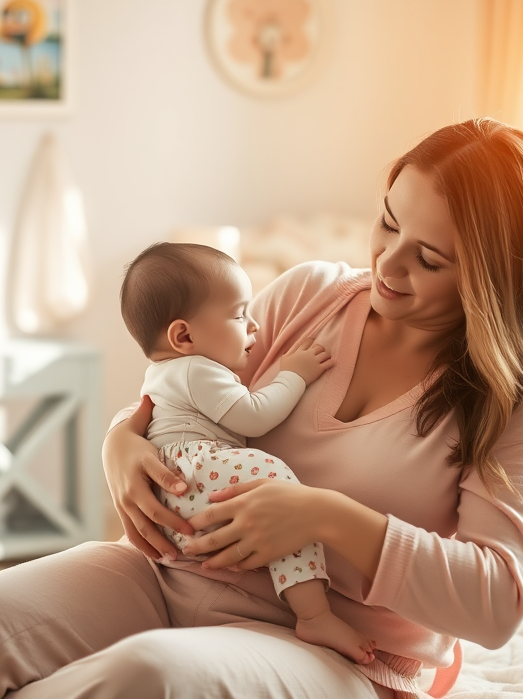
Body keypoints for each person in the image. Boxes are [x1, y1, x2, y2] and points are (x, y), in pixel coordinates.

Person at [0, 118, 523, 699]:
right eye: (388, 223)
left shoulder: (514, 394)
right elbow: (183, 391)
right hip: (174, 580)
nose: (387, 265)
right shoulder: (311, 298)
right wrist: (118, 443)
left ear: (493, 275)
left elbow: (498, 603)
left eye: (428, 258)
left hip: (342, 651)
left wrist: (322, 517)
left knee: (146, 674)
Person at [118, 241, 376, 665]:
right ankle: (313, 613)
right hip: (196, 471)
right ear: (184, 335)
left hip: (177, 497)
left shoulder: (164, 374)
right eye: (239, 314)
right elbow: (255, 416)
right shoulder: (198, 369)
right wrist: (293, 373)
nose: (254, 325)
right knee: (281, 491)